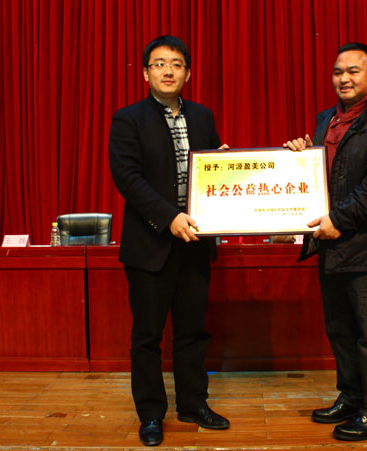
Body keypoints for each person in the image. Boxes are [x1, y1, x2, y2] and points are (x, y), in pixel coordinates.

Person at [284, 43, 367, 441]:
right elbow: (325, 175)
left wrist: (338, 220)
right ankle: (353, 397)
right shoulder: (328, 119)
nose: (344, 78)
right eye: (338, 72)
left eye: (354, 71)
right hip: (333, 245)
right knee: (341, 329)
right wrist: (300, 158)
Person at [108, 35, 230, 447]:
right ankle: (150, 414)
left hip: (195, 241)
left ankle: (193, 403)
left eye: (176, 64)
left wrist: (223, 165)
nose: (168, 71)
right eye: (159, 64)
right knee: (147, 336)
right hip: (150, 243)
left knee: (193, 331)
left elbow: (210, 170)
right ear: (146, 73)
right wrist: (169, 217)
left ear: (187, 73)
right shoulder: (128, 119)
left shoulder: (202, 116)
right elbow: (128, 178)